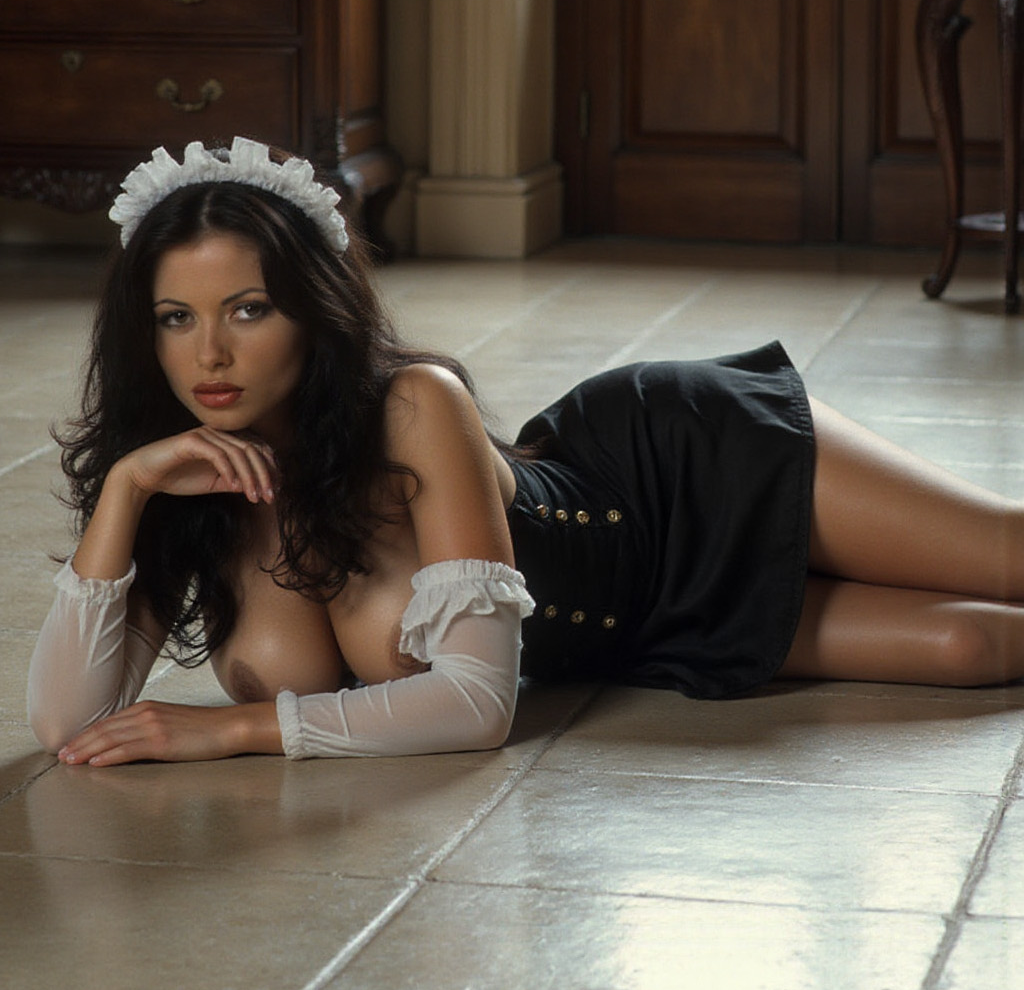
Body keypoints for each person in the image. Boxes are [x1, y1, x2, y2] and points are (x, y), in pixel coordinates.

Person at [26, 138, 1024, 768]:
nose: (209, 353)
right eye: (175, 317)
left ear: (313, 310)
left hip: (681, 472)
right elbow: (68, 728)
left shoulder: (415, 404)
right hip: (651, 629)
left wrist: (237, 729)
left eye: (248, 309)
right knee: (968, 649)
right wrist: (125, 492)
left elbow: (475, 705)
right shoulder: (183, 489)